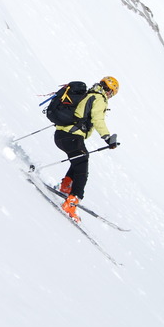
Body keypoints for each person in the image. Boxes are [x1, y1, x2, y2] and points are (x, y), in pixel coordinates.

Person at [53, 76, 119, 222]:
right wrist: (107, 138)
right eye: (112, 93)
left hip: (61, 135)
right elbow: (97, 119)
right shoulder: (99, 98)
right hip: (72, 136)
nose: (110, 96)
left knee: (79, 159)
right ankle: (72, 201)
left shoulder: (88, 94)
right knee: (82, 164)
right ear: (109, 90)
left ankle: (66, 186)